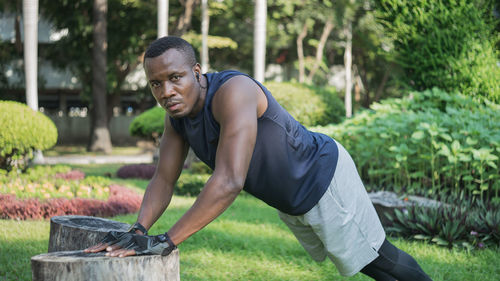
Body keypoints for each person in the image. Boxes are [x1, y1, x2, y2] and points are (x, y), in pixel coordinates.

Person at [85, 36, 432, 281]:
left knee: (378, 258)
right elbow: (163, 178)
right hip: (294, 197)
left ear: (196, 71)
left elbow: (229, 180)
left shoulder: (233, 93)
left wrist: (166, 240)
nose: (166, 92)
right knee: (372, 263)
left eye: (174, 78)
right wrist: (139, 230)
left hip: (323, 179)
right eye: (155, 84)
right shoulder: (176, 115)